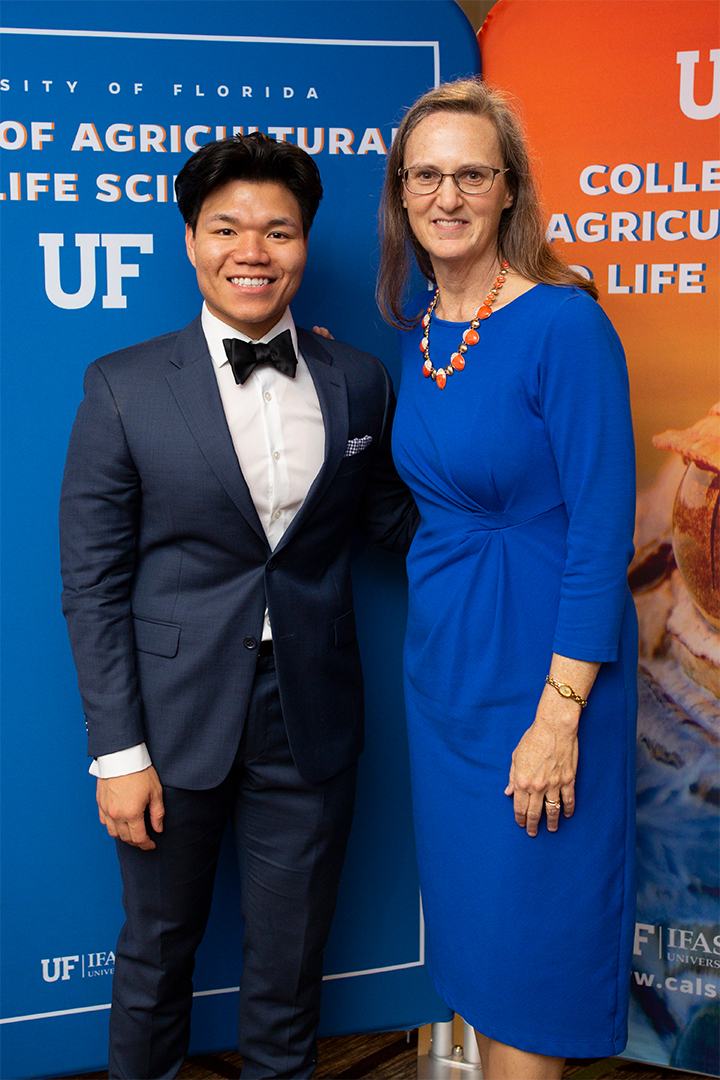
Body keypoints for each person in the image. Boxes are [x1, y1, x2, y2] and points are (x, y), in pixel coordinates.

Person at [59, 132, 417, 1080]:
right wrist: (118, 753)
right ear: (191, 241)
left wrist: (526, 532)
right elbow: (91, 586)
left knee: (292, 967)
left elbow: (399, 524)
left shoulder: (359, 382)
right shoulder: (122, 386)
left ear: (305, 244)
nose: (253, 251)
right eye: (228, 228)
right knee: (154, 957)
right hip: (169, 727)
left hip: (311, 717)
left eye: (279, 231)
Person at [378, 79, 638, 1080]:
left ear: (509, 191)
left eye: (471, 174)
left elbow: (599, 537)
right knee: (479, 954)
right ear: (401, 195)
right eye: (427, 174)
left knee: (532, 962)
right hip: (446, 680)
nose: (448, 194)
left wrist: (558, 718)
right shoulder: (419, 331)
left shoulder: (565, 327)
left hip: (544, 686)